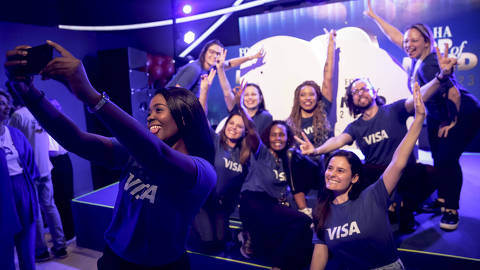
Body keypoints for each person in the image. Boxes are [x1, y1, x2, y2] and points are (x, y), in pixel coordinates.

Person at [5, 40, 216, 269]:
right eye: (150, 110)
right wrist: (29, 93)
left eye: (159, 110)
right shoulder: (133, 152)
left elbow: (158, 158)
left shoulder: (202, 171)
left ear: (183, 118)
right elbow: (77, 140)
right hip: (115, 260)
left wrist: (91, 95)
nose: (150, 117)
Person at [364, 0, 480, 230]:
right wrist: (375, 17)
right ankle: (442, 198)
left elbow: (454, 94)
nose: (407, 45)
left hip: (460, 111)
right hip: (440, 113)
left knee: (446, 159)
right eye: (407, 41)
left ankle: (451, 209)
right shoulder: (418, 57)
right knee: (438, 158)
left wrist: (451, 121)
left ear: (427, 42)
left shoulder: (430, 65)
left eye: (413, 41)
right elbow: (396, 37)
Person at [309, 82, 425, 270]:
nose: (331, 174)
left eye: (340, 171)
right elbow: (319, 256)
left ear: (354, 178)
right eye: (330, 168)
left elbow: (398, 162)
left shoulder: (373, 196)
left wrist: (419, 119)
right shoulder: (322, 211)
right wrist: (316, 151)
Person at [192, 67, 257, 253]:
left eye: (239, 126)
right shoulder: (214, 140)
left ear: (245, 131)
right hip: (203, 201)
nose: (234, 128)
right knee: (208, 242)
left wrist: (240, 106)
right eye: (231, 124)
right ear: (225, 125)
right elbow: (199, 118)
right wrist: (204, 89)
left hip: (222, 207)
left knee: (220, 242)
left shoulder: (245, 154)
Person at [239, 120, 314, 270]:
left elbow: (301, 182)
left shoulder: (288, 159)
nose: (277, 138)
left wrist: (314, 152)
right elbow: (252, 131)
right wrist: (241, 107)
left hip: (270, 207)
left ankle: (251, 237)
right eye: (274, 135)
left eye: (281, 135)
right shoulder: (262, 153)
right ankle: (277, 267)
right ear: (268, 137)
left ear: (288, 138)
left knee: (303, 233)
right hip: (253, 200)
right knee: (302, 221)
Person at [8, 85, 67, 260]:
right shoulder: (39, 112)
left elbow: (9, 138)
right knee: (50, 206)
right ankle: (61, 246)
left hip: (29, 170)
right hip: (45, 167)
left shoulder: (18, 116)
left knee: (36, 211)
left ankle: (41, 251)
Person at [285, 30, 336, 216]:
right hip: (306, 168)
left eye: (311, 94)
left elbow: (328, 77)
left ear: (317, 97)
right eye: (303, 95)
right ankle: (303, 209)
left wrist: (331, 45)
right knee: (290, 155)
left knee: (325, 159)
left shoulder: (324, 110)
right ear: (298, 99)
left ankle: (326, 208)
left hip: (324, 163)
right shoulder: (290, 122)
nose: (307, 99)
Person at [0, 89, 40, 270]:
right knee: (4, 248)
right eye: (1, 103)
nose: (6, 107)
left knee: (27, 245)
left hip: (23, 190)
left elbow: (30, 164)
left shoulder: (15, 133)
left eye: (6, 102)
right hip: (2, 196)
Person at [166, 39, 264, 97]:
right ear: (204, 52)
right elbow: (176, 93)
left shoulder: (210, 69)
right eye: (211, 52)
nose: (214, 56)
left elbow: (230, 63)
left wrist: (252, 57)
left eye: (218, 54)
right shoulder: (195, 69)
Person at [214, 48, 272, 135]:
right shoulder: (236, 111)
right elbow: (227, 92)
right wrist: (220, 69)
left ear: (260, 98)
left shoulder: (265, 117)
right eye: (246, 95)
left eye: (253, 94)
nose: (250, 98)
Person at [48, 99, 75, 242]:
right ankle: (62, 231)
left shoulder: (65, 123)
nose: (58, 108)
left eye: (59, 106)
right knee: (57, 198)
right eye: (54, 107)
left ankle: (70, 232)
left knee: (67, 196)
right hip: (51, 161)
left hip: (63, 160)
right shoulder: (45, 123)